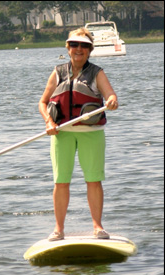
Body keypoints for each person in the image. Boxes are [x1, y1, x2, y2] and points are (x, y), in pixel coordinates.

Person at [38, 27, 118, 241]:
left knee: (93, 180)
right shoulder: (57, 72)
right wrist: (48, 121)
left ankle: (98, 227)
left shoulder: (97, 73)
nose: (79, 49)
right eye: (74, 45)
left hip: (91, 133)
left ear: (90, 50)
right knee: (60, 181)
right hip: (61, 133)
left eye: (84, 46)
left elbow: (111, 95)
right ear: (68, 47)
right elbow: (43, 102)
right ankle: (58, 230)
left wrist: (111, 101)